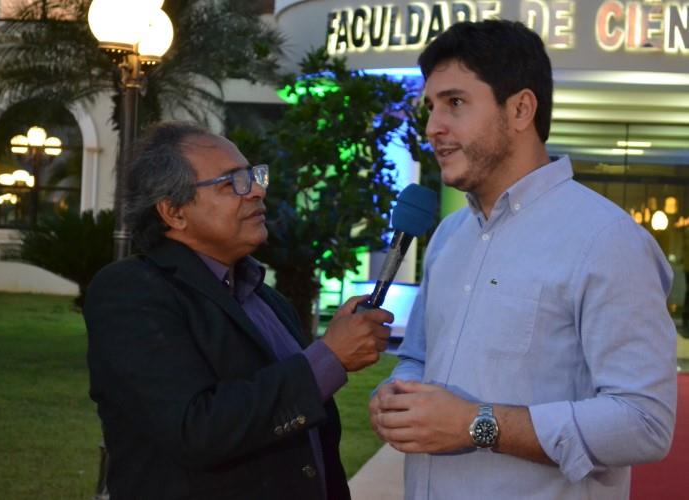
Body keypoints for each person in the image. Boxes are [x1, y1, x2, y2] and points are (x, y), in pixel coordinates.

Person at [369, 19, 677, 500]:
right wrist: (398, 394)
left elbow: (644, 422)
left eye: (455, 102)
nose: (432, 128)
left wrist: (477, 425)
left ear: (520, 109)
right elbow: (417, 357)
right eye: (431, 107)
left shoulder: (607, 240)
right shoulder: (450, 234)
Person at [84, 121, 394, 500]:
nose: (258, 191)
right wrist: (329, 357)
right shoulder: (132, 290)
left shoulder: (267, 300)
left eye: (254, 176)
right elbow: (196, 430)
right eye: (232, 183)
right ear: (174, 212)